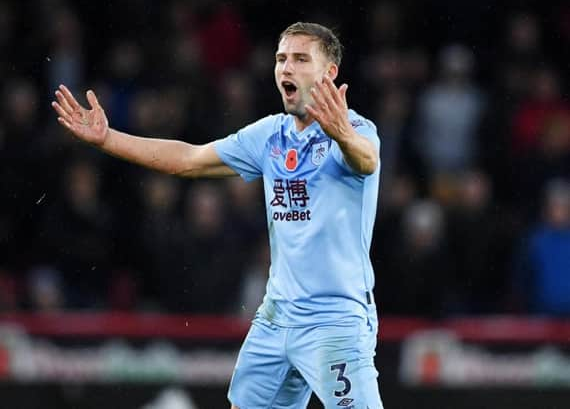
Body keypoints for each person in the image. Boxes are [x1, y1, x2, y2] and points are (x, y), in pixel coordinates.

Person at [52, 22, 383, 409]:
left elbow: (366, 160)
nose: (285, 68)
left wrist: (342, 134)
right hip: (276, 316)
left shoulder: (357, 130)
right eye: (281, 59)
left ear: (329, 73)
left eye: (300, 59)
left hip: (334, 321)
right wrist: (109, 139)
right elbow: (189, 160)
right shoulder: (269, 137)